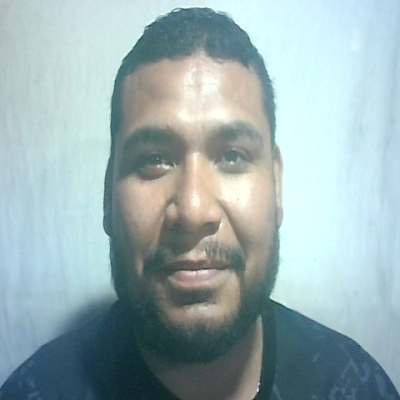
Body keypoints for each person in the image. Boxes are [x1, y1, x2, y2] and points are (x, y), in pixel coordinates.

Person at [1, 7, 398, 400]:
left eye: (232, 156)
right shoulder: (33, 392)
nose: (193, 210)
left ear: (276, 186)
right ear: (108, 195)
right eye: (154, 159)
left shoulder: (355, 386)